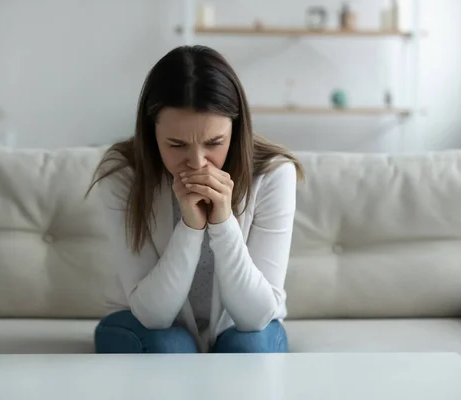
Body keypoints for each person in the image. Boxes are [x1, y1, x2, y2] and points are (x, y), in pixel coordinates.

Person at [88, 45, 304, 354]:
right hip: (141, 322)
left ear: (236, 129)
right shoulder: (123, 173)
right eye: (176, 145)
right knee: (171, 346)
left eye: (214, 143)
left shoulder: (272, 173)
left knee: (249, 346)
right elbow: (153, 315)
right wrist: (189, 229)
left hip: (241, 328)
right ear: (151, 135)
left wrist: (223, 222)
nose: (198, 163)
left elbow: (256, 317)